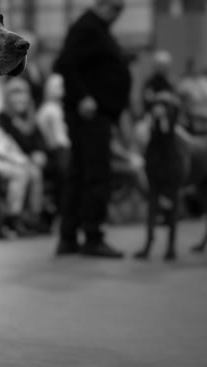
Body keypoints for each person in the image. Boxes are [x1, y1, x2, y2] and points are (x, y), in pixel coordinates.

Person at [53, 0, 131, 258]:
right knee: (96, 175)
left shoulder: (96, 28)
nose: (118, 15)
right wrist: (83, 96)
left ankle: (68, 238)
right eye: (116, 9)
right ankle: (92, 237)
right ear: (104, 5)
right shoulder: (87, 27)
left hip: (95, 115)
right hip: (89, 115)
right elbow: (65, 62)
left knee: (79, 174)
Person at [0, 77, 49, 233]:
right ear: (6, 96)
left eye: (23, 93)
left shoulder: (31, 119)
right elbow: (5, 146)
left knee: (36, 171)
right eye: (14, 93)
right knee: (28, 173)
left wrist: (40, 153)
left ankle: (33, 218)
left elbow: (39, 143)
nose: (20, 98)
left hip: (26, 161)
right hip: (11, 160)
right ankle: (16, 219)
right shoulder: (1, 119)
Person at [36, 73, 71, 217]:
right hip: (56, 152)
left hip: (59, 151)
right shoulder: (50, 109)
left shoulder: (54, 107)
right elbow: (58, 139)